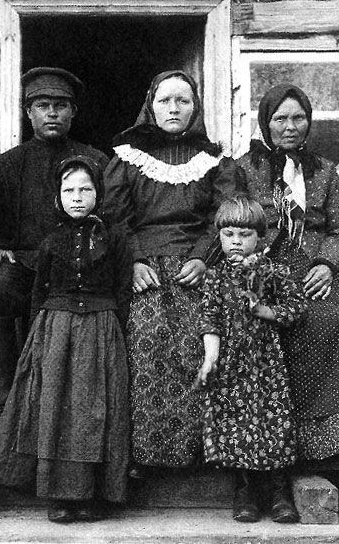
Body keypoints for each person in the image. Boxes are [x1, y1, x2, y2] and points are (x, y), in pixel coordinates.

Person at [103, 70, 245, 471]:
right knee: (145, 341)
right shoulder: (127, 159)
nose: (174, 108)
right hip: (143, 269)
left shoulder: (215, 161)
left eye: (183, 101)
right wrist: (133, 260)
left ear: (195, 108)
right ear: (151, 106)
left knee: (200, 343)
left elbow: (226, 217)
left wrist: (204, 257)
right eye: (165, 100)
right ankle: (146, 455)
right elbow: (114, 218)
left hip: (197, 267)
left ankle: (198, 454)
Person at [237, 84, 339, 461]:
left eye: (298, 118)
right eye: (280, 119)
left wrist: (326, 264)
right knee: (292, 317)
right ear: (265, 122)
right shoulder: (243, 169)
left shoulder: (323, 170)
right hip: (270, 260)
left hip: (321, 261)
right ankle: (291, 439)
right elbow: (236, 221)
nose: (290, 127)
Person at [0, 155, 131, 523]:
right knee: (55, 409)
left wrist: (116, 330)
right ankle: (59, 495)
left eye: (85, 189)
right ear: (58, 197)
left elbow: (123, 288)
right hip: (57, 329)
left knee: (93, 410)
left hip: (99, 329)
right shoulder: (51, 241)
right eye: (68, 190)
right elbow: (39, 291)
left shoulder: (114, 239)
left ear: (98, 194)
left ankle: (91, 494)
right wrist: (38, 336)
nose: (76, 197)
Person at [0, 67, 109, 426]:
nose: (52, 113)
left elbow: (110, 217)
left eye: (61, 106)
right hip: (26, 263)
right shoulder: (7, 165)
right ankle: (3, 409)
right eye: (43, 105)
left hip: (80, 263)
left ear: (73, 112)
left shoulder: (96, 161)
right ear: (28, 112)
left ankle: (70, 411)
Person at [196, 196, 305, 523]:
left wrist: (267, 311)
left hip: (266, 363)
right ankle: (245, 491)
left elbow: (296, 307)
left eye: (244, 235)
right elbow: (210, 319)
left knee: (273, 422)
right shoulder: (215, 277)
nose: (236, 242)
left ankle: (279, 491)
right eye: (228, 235)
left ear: (259, 237)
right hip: (232, 363)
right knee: (236, 424)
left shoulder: (273, 272)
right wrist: (210, 358)